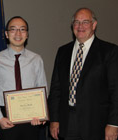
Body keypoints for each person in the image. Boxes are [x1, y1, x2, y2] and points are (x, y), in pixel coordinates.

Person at [48, 7, 118, 140]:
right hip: (66, 122)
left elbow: (116, 91)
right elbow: (56, 89)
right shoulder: (62, 51)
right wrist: (54, 120)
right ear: (72, 25)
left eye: (85, 22)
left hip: (96, 125)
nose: (80, 26)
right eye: (76, 22)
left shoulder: (109, 51)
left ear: (94, 25)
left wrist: (114, 123)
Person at [0, 16, 48, 140]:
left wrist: (41, 115)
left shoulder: (36, 59)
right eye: (13, 29)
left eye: (22, 29)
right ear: (6, 34)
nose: (18, 33)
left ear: (27, 34)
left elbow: (43, 88)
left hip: (32, 118)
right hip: (6, 118)